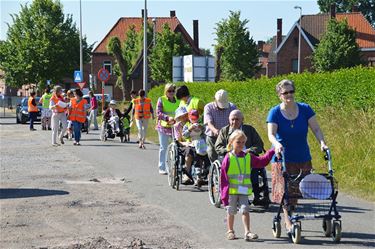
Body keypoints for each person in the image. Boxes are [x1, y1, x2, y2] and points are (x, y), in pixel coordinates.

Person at [267, 79, 328, 234]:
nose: (289, 95)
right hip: (283, 158)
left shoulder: (305, 109)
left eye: (291, 91)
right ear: (279, 95)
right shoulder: (274, 112)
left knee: (298, 191)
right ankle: (288, 222)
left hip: (302, 157)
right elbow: (271, 134)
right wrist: (277, 144)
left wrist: (322, 143)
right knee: (286, 192)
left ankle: (292, 216)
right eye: (285, 92)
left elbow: (316, 129)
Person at [220, 130, 274, 241]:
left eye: (243, 142)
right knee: (231, 211)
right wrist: (224, 196)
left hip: (243, 190)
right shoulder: (228, 158)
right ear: (231, 143)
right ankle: (230, 231)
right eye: (238, 142)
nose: (241, 145)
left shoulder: (248, 157)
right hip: (231, 191)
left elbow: (261, 162)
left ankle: (247, 232)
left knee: (245, 210)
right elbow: (223, 178)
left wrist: (272, 151)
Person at [215, 109, 268, 205]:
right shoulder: (224, 131)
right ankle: (235, 195)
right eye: (232, 119)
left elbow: (259, 144)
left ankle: (257, 195)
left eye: (237, 119)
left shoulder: (250, 130)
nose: (234, 122)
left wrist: (250, 150)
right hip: (231, 158)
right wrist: (229, 151)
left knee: (255, 169)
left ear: (242, 120)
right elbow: (218, 147)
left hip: (246, 157)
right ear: (229, 120)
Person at [204, 89, 237, 162]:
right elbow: (209, 123)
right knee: (212, 153)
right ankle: (213, 169)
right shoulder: (208, 107)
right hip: (213, 136)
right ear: (215, 99)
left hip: (228, 135)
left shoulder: (232, 107)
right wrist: (215, 130)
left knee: (231, 154)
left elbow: (237, 120)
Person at [156, 84, 180, 175]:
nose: (171, 93)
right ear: (165, 91)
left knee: (177, 147)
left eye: (173, 91)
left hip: (175, 126)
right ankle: (161, 167)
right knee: (163, 147)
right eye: (169, 91)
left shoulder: (178, 100)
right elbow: (158, 113)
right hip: (163, 126)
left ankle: (175, 166)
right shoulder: (161, 99)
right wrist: (167, 118)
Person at [182, 109, 208, 186]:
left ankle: (202, 175)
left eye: (196, 118)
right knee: (190, 152)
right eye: (192, 118)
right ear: (189, 118)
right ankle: (187, 175)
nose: (194, 120)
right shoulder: (187, 125)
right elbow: (184, 136)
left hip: (200, 143)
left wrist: (202, 128)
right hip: (189, 143)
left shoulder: (200, 125)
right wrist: (190, 129)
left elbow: (205, 136)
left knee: (204, 154)